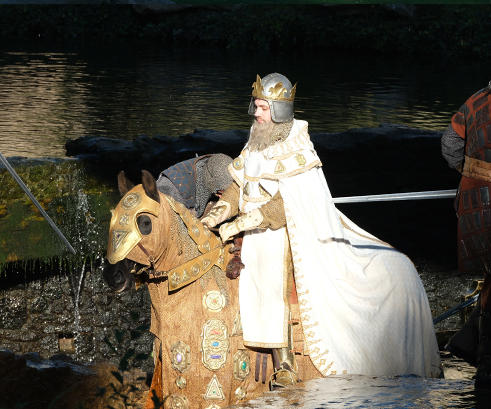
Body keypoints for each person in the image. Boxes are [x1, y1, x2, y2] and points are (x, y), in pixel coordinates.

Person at [201, 74, 440, 387]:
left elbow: (284, 205)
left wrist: (239, 224)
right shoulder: (256, 138)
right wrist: (212, 219)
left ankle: (284, 364)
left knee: (268, 255)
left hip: (289, 228)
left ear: (277, 109)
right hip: (254, 223)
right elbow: (238, 187)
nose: (256, 113)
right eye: (256, 106)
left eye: (262, 107)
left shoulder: (296, 144)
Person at [442, 82, 491, 384]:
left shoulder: (475, 100)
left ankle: (469, 345)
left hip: (475, 202)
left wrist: (474, 173)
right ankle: (483, 361)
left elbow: (450, 146)